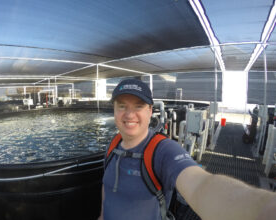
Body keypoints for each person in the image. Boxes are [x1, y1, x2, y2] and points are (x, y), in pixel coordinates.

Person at [98, 79, 276, 220]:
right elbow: (109, 188)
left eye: (138, 106)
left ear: (150, 111)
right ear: (114, 110)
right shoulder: (113, 145)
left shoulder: (163, 150)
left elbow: (200, 185)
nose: (129, 114)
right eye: (122, 106)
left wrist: (264, 210)